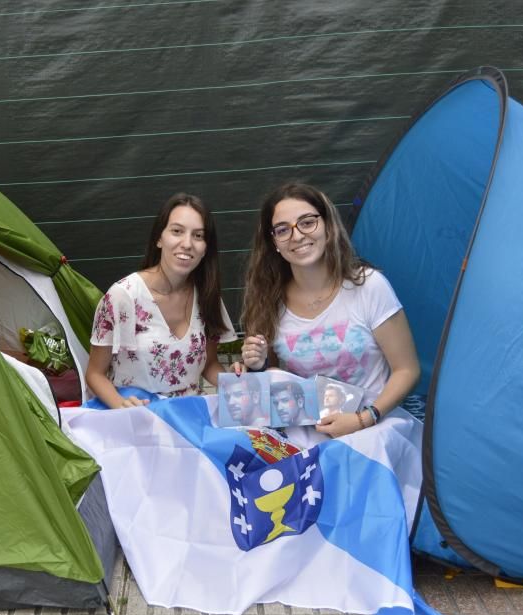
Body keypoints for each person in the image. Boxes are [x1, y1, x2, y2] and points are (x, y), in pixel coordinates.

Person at [235, 182, 420, 439]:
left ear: (328, 228)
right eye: (283, 230)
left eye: (307, 222)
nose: (297, 236)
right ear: (274, 241)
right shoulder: (267, 301)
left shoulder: (369, 286)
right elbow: (274, 385)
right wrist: (254, 367)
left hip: (375, 429)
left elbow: (407, 370)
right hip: (308, 436)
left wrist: (363, 419)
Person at [86, 193, 238, 408]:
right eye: (177, 231)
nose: (187, 244)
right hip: (137, 417)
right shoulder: (122, 296)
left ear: (206, 248)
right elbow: (95, 374)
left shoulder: (208, 296)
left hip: (190, 417)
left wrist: (236, 384)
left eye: (198, 236)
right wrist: (120, 405)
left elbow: (210, 364)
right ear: (159, 238)